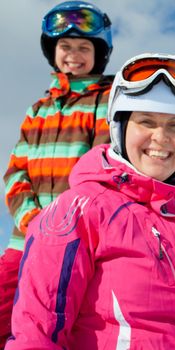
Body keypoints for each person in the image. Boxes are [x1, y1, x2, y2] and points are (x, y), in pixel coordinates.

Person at [6, 52, 175, 350]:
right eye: (146, 121)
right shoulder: (81, 210)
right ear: (120, 129)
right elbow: (38, 334)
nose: (161, 137)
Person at [0, 1, 113, 347]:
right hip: (24, 239)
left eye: (84, 47)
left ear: (99, 54)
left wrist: (57, 226)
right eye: (66, 46)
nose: (74, 55)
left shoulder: (104, 101)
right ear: (53, 50)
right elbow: (15, 172)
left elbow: (99, 169)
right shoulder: (38, 109)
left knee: (59, 319)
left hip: (74, 240)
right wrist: (32, 220)